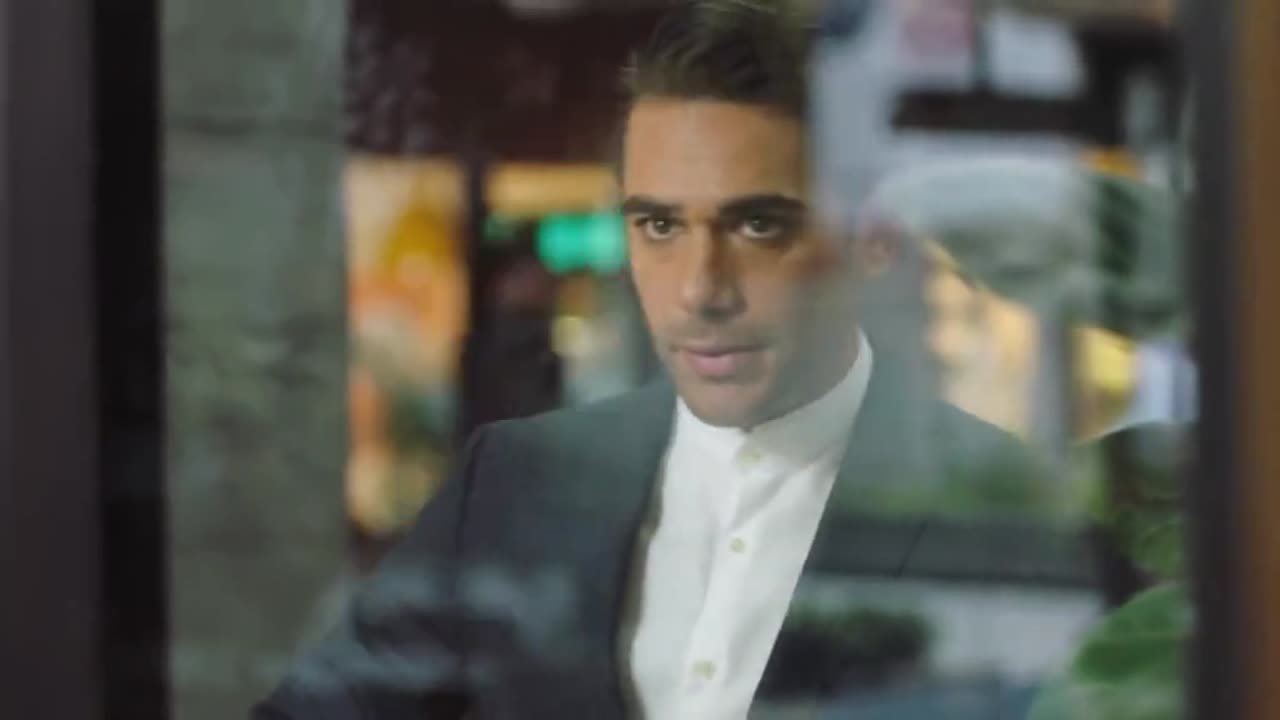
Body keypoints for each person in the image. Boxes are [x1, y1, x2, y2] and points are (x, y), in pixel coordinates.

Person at [254, 2, 1038, 718]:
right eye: (660, 228)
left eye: (757, 226)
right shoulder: (515, 483)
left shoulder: (1002, 506)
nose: (700, 290)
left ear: (863, 242)